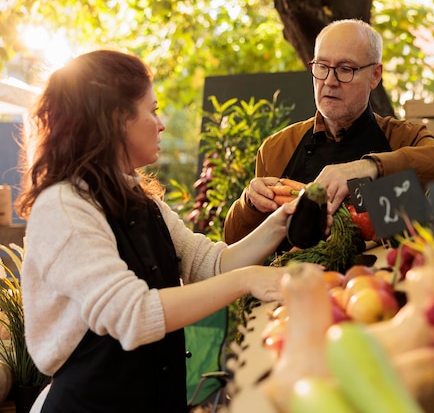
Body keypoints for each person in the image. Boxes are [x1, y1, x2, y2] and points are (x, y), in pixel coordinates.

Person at [15, 50, 320, 413]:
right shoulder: (64, 208)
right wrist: (247, 281)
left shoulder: (137, 197)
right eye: (152, 110)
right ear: (116, 120)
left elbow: (211, 263)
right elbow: (134, 314)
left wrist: (281, 220)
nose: (161, 124)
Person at [224, 18, 434, 245]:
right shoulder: (276, 149)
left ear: (375, 76)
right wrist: (250, 204)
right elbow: (234, 244)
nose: (330, 81)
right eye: (322, 66)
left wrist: (370, 168)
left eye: (346, 69)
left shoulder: (401, 138)